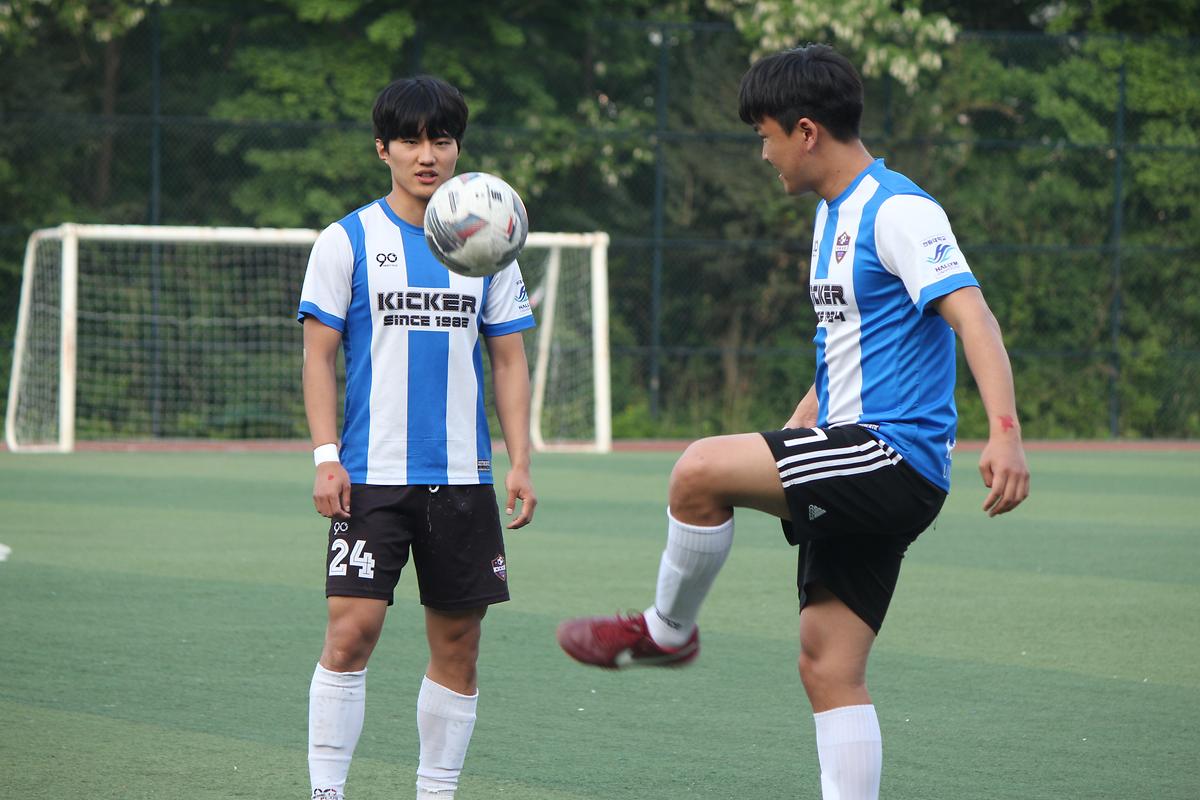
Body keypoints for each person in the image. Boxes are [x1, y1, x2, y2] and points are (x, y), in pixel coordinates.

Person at [556, 44, 1029, 799]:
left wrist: (1004, 430)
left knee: (698, 471)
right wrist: (792, 434)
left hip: (890, 456)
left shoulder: (898, 211)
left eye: (766, 136)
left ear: (806, 132)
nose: (764, 153)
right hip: (857, 452)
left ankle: (667, 632)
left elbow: (974, 317)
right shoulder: (828, 218)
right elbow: (844, 358)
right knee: (828, 666)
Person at [297, 75, 537, 800]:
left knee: (459, 645)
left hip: (462, 477)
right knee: (351, 633)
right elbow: (318, 356)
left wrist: (521, 460)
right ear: (383, 149)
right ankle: (327, 792)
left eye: (441, 139)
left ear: (458, 147)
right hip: (371, 474)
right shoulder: (347, 240)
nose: (426, 155)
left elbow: (509, 359)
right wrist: (326, 457)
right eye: (410, 140)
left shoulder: (491, 244)